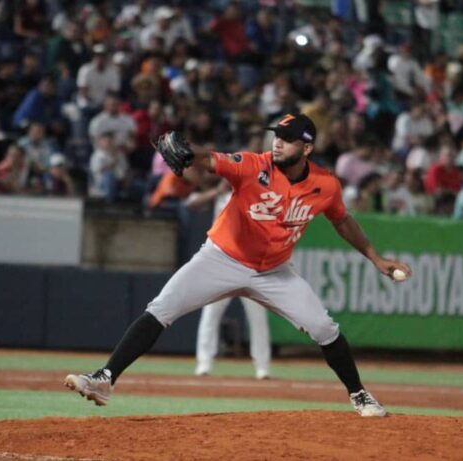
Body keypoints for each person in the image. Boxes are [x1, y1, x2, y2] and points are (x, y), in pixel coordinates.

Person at [64, 113, 412, 417]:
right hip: (221, 258)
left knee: (324, 328)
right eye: (277, 136)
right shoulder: (253, 164)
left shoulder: (325, 185)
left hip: (274, 271)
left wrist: (375, 258)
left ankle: (359, 394)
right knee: (161, 308)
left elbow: (342, 221)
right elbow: (211, 160)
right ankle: (105, 379)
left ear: (306, 148)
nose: (278, 143)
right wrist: (190, 154)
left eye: (287, 139)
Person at [185, 179, 272, 380]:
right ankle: (204, 364)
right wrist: (217, 189)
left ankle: (263, 367)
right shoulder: (222, 196)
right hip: (222, 265)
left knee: (258, 318)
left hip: (251, 266)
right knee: (210, 314)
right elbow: (191, 203)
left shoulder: (259, 200)